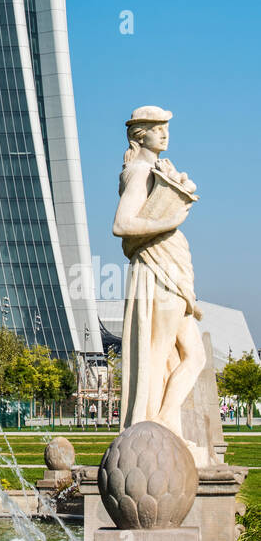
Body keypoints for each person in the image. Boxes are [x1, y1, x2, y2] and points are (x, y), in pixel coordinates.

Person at [112, 106, 205, 446]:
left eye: (166, 127)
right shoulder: (139, 171)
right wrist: (172, 220)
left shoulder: (154, 169)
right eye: (157, 128)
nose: (165, 134)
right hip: (158, 269)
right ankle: (149, 433)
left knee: (194, 356)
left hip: (171, 268)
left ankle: (165, 421)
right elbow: (121, 225)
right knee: (158, 351)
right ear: (141, 134)